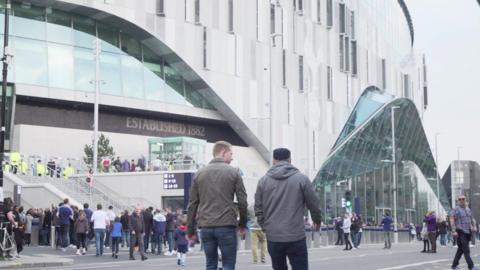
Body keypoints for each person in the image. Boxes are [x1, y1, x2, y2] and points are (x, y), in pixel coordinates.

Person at [254, 148, 322, 270]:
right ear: (290, 160)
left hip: (273, 236)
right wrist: (317, 221)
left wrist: (265, 226)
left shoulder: (263, 181)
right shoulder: (302, 179)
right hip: (296, 235)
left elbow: (258, 208)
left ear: (274, 161)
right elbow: (314, 204)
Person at [187, 140, 248, 270]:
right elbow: (242, 202)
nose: (232, 157)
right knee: (228, 264)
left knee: (210, 264)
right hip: (226, 225)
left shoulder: (199, 174)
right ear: (223, 152)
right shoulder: (234, 173)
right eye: (231, 153)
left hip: (206, 226)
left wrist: (190, 230)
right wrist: (242, 224)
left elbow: (192, 204)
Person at [450, 195, 478, 270]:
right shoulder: (455, 209)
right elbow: (452, 219)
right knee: (466, 250)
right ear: (458, 201)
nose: (461, 200)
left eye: (463, 199)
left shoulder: (468, 209)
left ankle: (454, 265)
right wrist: (453, 231)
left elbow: (472, 219)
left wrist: (474, 226)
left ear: (465, 200)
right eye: (460, 199)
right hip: (460, 232)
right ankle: (471, 266)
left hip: (468, 232)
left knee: (460, 250)